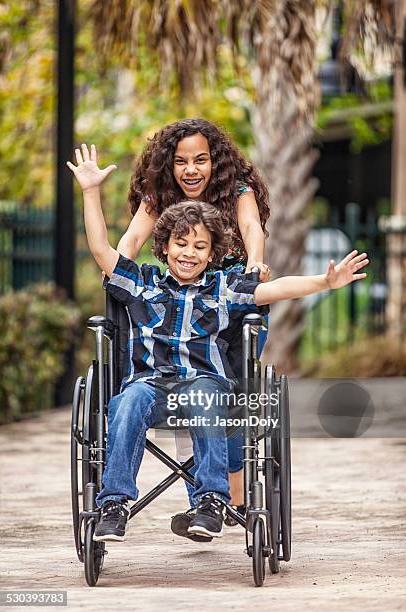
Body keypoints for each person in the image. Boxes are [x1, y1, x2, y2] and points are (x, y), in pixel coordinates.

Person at [67, 150, 369, 542]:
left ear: (212, 255)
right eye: (181, 243)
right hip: (150, 385)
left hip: (204, 383)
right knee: (125, 402)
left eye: (199, 247)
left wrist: (324, 283)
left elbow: (273, 288)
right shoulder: (143, 284)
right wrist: (91, 192)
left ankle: (211, 500)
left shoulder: (223, 289)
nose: (188, 253)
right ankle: (113, 504)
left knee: (205, 398)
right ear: (164, 247)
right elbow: (101, 251)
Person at [67, 118, 271, 533]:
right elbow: (125, 244)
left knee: (225, 392)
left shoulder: (236, 190)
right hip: (171, 304)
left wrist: (253, 263)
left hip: (231, 299)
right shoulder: (158, 196)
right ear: (169, 164)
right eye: (181, 161)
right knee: (173, 383)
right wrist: (116, 270)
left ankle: (225, 491)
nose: (191, 169)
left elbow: (251, 226)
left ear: (216, 162)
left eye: (200, 160)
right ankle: (205, 495)